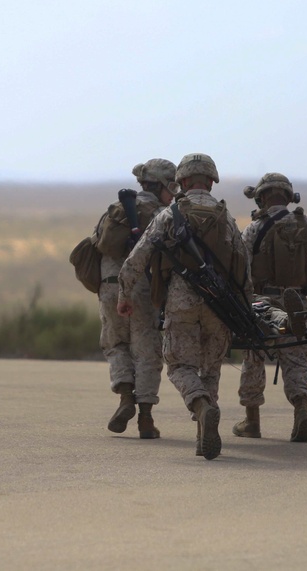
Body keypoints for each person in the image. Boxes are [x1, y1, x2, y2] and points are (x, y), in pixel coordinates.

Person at [117, 153, 251, 460]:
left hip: (181, 301)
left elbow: (137, 258)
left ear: (183, 181)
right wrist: (245, 309)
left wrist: (124, 295)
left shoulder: (170, 214)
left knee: (180, 366)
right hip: (221, 304)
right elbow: (244, 267)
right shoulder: (225, 217)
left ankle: (201, 407)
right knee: (212, 368)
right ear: (212, 181)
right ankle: (204, 424)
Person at [232, 173, 307, 442]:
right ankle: (301, 411)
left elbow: (239, 265)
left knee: (253, 358)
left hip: (261, 302)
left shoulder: (254, 228)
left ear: (262, 198)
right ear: (289, 197)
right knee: (297, 358)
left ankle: (252, 422)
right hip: (297, 302)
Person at [96, 158, 176, 439]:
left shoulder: (115, 211)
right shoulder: (164, 214)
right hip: (143, 288)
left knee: (116, 344)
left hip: (108, 286)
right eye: (172, 186)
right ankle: (145, 418)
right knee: (148, 351)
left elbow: (98, 245)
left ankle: (125, 397)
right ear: (163, 185)